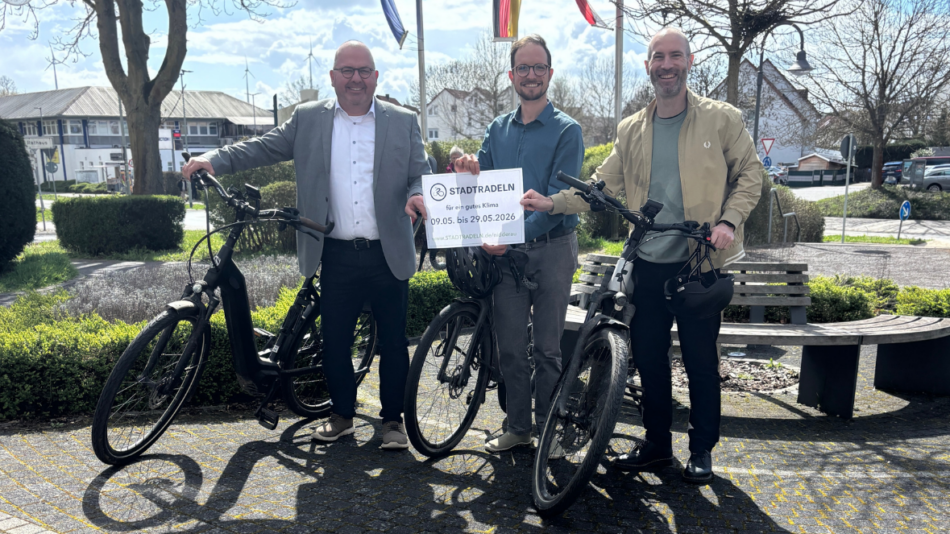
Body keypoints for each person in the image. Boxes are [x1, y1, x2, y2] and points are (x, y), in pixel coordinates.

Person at [521, 28, 762, 482]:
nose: (667, 65)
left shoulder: (722, 119)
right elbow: (601, 186)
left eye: (675, 56)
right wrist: (552, 203)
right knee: (649, 360)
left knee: (700, 363)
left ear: (689, 61)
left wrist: (729, 222)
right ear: (648, 65)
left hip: (700, 263)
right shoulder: (630, 129)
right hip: (647, 264)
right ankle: (656, 447)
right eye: (658, 57)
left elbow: (750, 174)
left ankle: (702, 450)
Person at [182, 40, 430, 451]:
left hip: (387, 252)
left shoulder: (403, 121)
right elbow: (262, 147)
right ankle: (342, 416)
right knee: (335, 342)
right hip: (334, 251)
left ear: (376, 77)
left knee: (393, 343)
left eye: (363, 71)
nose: (355, 79)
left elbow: (421, 171)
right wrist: (215, 160)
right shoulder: (308, 118)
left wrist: (418, 193)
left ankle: (392, 422)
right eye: (347, 70)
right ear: (332, 77)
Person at [453, 34, 584, 453]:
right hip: (507, 255)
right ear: (511, 75)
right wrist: (465, 166)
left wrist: (509, 235)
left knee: (547, 349)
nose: (531, 74)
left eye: (538, 67)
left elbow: (556, 201)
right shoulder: (496, 129)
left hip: (552, 248)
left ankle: (548, 431)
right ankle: (518, 428)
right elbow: (481, 181)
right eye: (523, 67)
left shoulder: (568, 130)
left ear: (550, 73)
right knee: (509, 347)